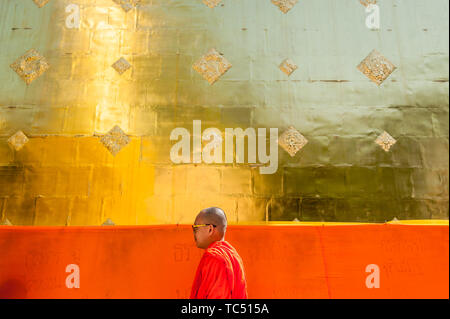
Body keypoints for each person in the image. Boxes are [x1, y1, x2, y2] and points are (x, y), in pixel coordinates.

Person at [190, 207, 248, 299]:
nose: (194, 233)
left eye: (195, 228)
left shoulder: (214, 257)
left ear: (210, 229)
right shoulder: (233, 255)